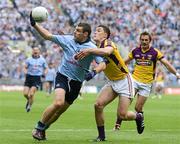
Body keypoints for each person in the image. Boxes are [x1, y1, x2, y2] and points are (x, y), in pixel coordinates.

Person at [29, 13, 106, 140]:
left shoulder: (92, 48)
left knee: (59, 111)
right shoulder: (68, 39)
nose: (74, 32)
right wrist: (34, 25)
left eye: (78, 31)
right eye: (75, 30)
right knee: (58, 103)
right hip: (63, 76)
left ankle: (43, 130)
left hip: (76, 83)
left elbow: (103, 63)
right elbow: (47, 35)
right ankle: (38, 127)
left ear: (85, 34)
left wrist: (94, 72)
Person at [75, 25, 144, 141]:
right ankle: (101, 137)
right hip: (112, 81)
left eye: (99, 31)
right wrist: (93, 72)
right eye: (95, 30)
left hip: (124, 81)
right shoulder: (96, 47)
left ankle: (138, 116)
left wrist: (89, 51)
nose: (95, 32)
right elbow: (104, 63)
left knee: (122, 115)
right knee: (98, 105)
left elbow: (107, 52)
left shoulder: (109, 44)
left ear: (105, 35)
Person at [113, 31, 180, 131]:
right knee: (124, 104)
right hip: (134, 81)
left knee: (138, 108)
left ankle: (140, 120)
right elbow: (123, 62)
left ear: (150, 41)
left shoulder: (155, 52)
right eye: (142, 40)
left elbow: (166, 64)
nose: (144, 42)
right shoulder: (135, 51)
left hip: (146, 84)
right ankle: (117, 125)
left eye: (146, 40)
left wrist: (177, 74)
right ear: (140, 40)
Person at [23, 47, 48, 112]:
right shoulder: (29, 59)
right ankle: (29, 100)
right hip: (29, 77)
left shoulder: (42, 60)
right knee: (25, 94)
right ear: (32, 52)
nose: (35, 52)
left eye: (36, 51)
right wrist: (25, 71)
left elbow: (46, 68)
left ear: (39, 52)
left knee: (31, 94)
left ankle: (29, 107)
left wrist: (44, 73)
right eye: (34, 50)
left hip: (37, 78)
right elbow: (25, 67)